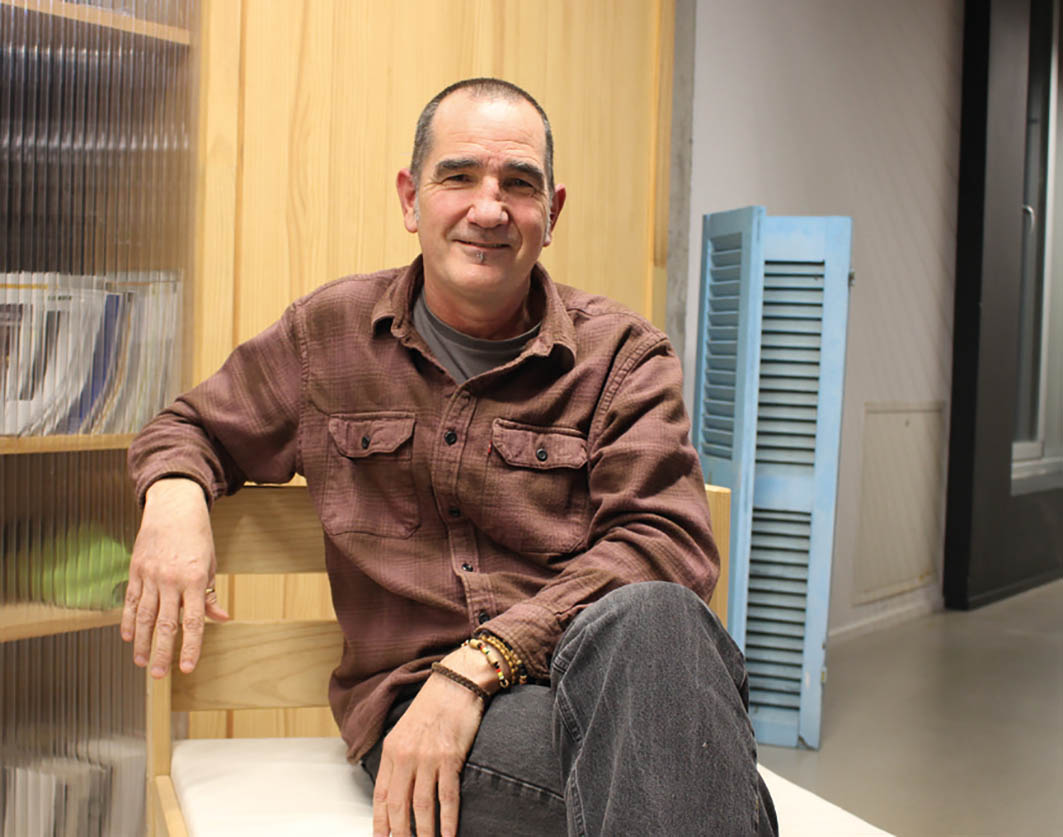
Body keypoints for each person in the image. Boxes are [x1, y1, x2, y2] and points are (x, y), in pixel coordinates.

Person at [123, 77, 777, 837]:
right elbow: (189, 426)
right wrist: (174, 495)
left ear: (552, 213)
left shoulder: (622, 357)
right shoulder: (327, 336)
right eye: (458, 176)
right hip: (417, 713)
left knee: (658, 619)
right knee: (691, 784)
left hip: (591, 680)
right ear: (411, 199)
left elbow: (664, 544)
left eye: (519, 184)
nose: (489, 209)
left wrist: (481, 662)